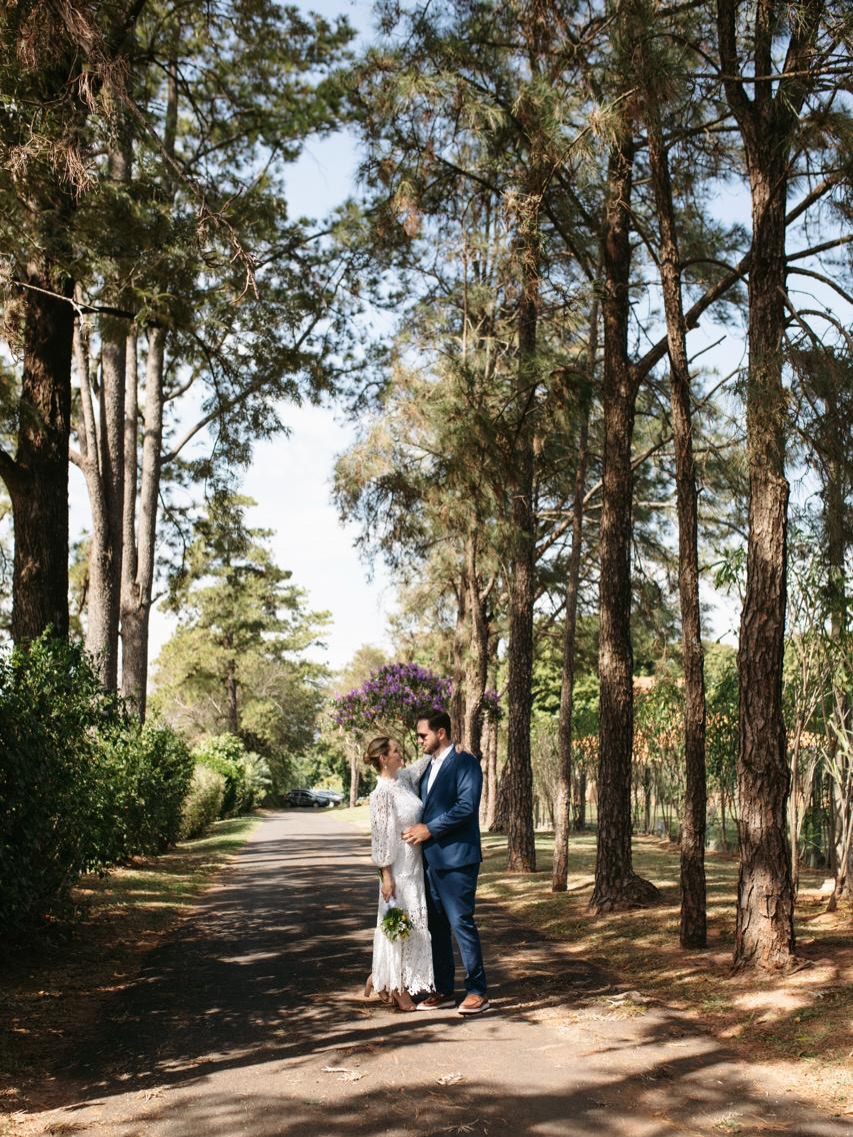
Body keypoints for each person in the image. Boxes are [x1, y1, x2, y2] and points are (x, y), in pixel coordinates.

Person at [401, 711, 489, 1014]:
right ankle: (444, 988)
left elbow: (467, 806)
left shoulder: (466, 762)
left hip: (458, 860)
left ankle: (478, 991)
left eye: (423, 735)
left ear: (441, 732)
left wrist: (430, 829)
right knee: (436, 927)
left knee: (461, 923)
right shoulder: (426, 767)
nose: (419, 740)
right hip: (430, 861)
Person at [365, 737, 434, 1012]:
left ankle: (380, 978)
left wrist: (449, 747)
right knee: (398, 927)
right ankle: (397, 987)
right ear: (384, 758)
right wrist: (387, 878)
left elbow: (424, 763)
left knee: (414, 925)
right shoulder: (381, 794)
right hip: (398, 871)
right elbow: (381, 840)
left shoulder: (403, 779)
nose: (400, 752)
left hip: (415, 867)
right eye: (395, 750)